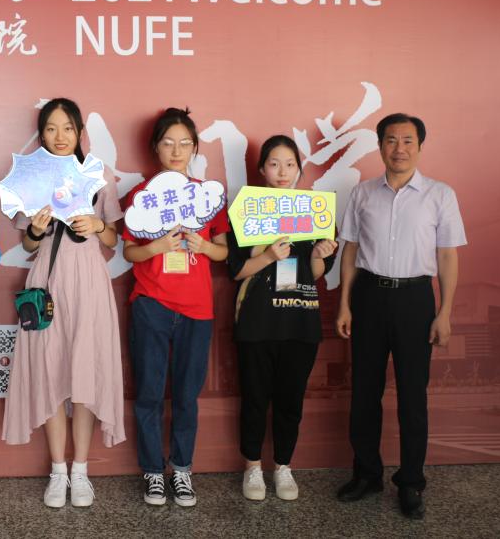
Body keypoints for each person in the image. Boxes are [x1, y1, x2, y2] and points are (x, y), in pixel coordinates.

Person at [335, 113, 465, 519]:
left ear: (420, 146)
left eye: (408, 140)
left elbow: (447, 256)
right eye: (391, 140)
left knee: (412, 396)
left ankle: (410, 482)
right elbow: (350, 250)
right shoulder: (362, 194)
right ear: (380, 146)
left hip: (415, 300)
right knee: (364, 392)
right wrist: (345, 303)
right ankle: (367, 474)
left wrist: (444, 312)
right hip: (369, 296)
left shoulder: (440, 195)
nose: (399, 148)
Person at [2, 98, 125, 509]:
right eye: (51, 129)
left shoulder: (97, 175)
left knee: (85, 371)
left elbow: (112, 239)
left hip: (88, 280)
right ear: (41, 134)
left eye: (68, 128)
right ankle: (58, 471)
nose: (60, 136)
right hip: (48, 282)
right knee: (51, 370)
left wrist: (98, 224)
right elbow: (28, 244)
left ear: (79, 133)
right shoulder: (33, 178)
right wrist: (36, 230)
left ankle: (81, 470)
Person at [122, 107, 229, 508]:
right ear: (155, 147)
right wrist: (156, 247)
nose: (177, 150)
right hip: (151, 304)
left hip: (197, 309)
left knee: (186, 395)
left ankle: (182, 469)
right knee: (149, 392)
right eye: (168, 142)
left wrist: (205, 246)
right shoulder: (141, 195)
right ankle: (153, 472)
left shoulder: (208, 195)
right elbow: (130, 252)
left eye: (185, 143)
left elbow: (223, 252)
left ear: (195, 148)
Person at [225, 135, 337, 502]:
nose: (282, 171)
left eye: (290, 164)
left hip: (300, 323)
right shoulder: (246, 211)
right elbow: (237, 271)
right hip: (257, 322)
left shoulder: (315, 212)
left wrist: (319, 253)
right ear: (262, 169)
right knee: (255, 399)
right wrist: (270, 255)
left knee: (291, 402)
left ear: (300, 170)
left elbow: (315, 274)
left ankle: (284, 466)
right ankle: (252, 467)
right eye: (274, 163)